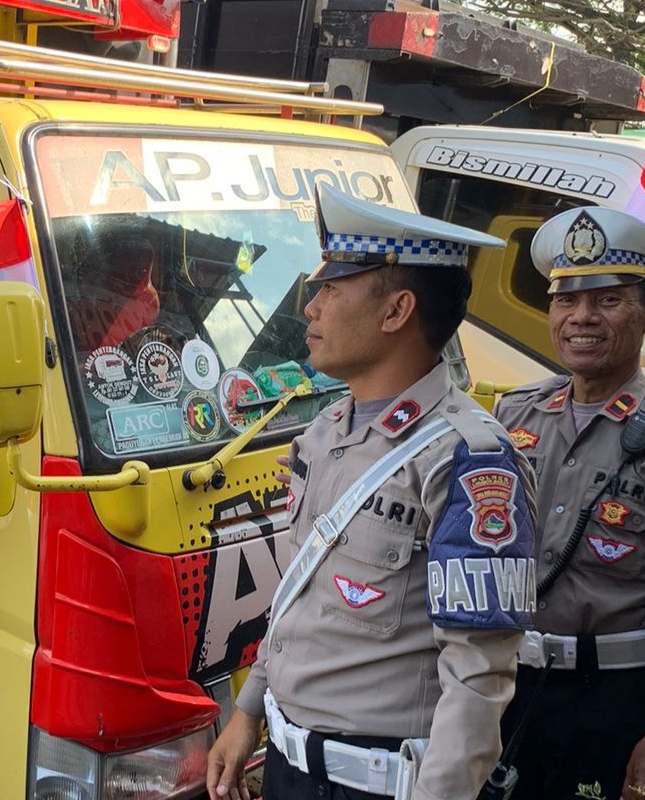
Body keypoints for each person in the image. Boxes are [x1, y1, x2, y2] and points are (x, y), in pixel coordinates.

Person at [206, 184, 537, 800]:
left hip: (379, 783)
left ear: (396, 311)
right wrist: (250, 709)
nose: (311, 307)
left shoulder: (467, 460)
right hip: (288, 763)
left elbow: (478, 678)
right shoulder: (327, 430)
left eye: (332, 289)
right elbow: (302, 598)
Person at [495, 207, 645, 800]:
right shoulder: (513, 415)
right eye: (565, 300)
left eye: (607, 301)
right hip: (505, 684)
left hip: (611, 699)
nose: (581, 317)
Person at [68, 231, 161, 351]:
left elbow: (141, 342)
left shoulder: (149, 299)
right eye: (129, 257)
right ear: (114, 260)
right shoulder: (91, 289)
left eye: (143, 264)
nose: (137, 267)